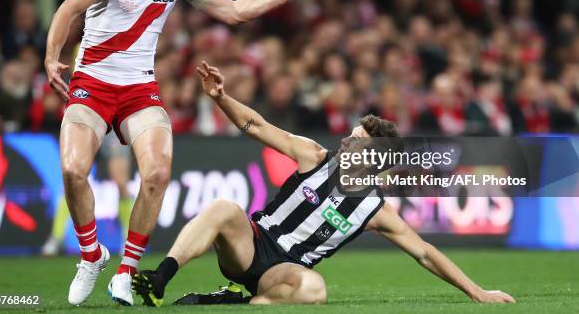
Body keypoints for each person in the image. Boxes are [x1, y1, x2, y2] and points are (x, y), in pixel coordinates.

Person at [44, 0, 305, 306]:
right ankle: (92, 256)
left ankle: (126, 272)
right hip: (92, 83)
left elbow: (233, 11)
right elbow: (68, 9)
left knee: (158, 172)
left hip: (139, 89)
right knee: (74, 170)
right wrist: (52, 56)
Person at [132, 61, 516, 306]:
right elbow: (257, 126)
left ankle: (232, 302)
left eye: (357, 140)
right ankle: (161, 277)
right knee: (223, 208)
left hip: (283, 271)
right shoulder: (313, 156)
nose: (346, 141)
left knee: (315, 290)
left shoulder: (374, 209)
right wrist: (221, 98)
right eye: (350, 134)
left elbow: (425, 253)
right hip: (253, 242)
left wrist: (478, 293)